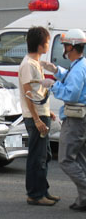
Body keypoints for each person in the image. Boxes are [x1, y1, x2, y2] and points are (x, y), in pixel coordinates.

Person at [40, 28, 86, 212]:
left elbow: (72, 94)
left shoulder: (78, 69)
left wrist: (53, 85)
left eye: (66, 46)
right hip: (81, 120)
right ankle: (83, 200)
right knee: (81, 160)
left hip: (75, 120)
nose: (64, 50)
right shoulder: (80, 64)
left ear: (73, 47)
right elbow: (71, 77)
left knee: (66, 159)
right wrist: (56, 70)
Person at [18, 26, 59, 206]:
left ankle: (43, 190)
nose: (48, 45)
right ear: (41, 45)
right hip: (35, 117)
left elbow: (37, 92)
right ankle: (35, 194)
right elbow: (28, 93)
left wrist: (46, 111)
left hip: (41, 114)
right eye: (47, 42)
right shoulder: (28, 64)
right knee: (37, 156)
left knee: (45, 154)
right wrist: (36, 118)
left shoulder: (35, 63)